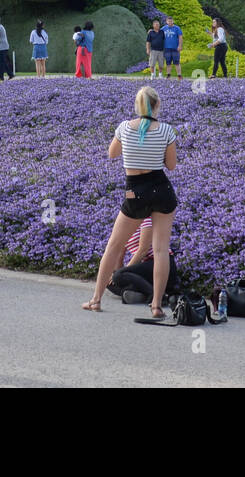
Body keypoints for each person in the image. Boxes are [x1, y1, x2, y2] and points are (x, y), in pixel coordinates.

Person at [82, 85, 177, 318]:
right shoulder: (166, 130)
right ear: (156, 106)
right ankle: (156, 306)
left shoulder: (124, 128)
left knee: (114, 246)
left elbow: (112, 153)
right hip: (161, 189)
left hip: (134, 192)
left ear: (137, 106)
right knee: (161, 249)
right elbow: (171, 165)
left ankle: (96, 300)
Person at [0, 16, 13, 80]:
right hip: (2, 47)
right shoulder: (0, 27)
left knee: (1, 62)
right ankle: (10, 74)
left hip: (2, 47)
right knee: (3, 62)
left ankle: (1, 77)